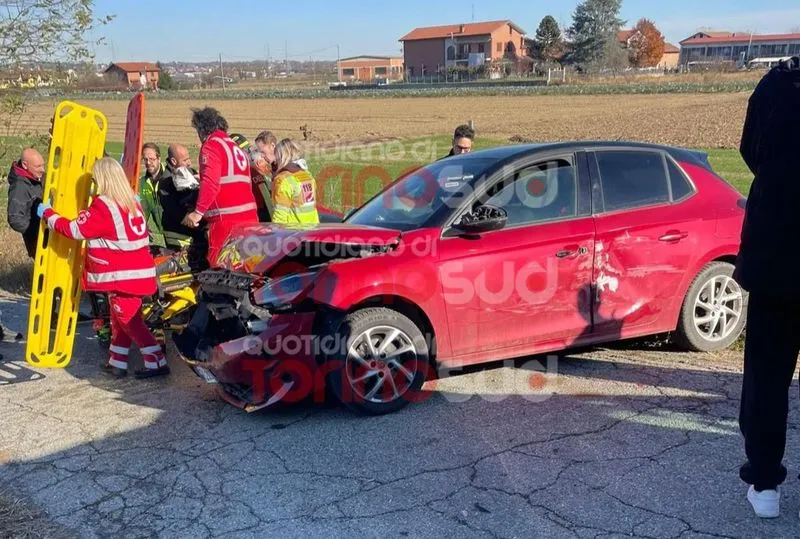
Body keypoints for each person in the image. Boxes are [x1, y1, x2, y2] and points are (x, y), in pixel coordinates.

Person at [734, 55, 800, 519]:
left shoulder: (777, 85)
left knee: (767, 377)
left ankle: (765, 482)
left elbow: (750, 151)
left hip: (778, 253)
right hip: (776, 255)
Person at [37, 157, 169, 379]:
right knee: (120, 320)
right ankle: (116, 362)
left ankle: (157, 362)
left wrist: (49, 215)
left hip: (121, 276)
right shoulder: (131, 202)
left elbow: (75, 230)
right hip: (138, 273)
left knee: (129, 321)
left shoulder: (104, 206)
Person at [181, 107, 258, 266]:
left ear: (202, 130)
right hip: (249, 217)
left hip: (226, 221)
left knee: (220, 268)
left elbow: (210, 182)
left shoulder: (211, 146)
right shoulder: (234, 146)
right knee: (248, 266)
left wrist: (198, 213)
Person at [158, 144, 209, 272]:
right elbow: (172, 209)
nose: (189, 163)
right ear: (174, 161)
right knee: (183, 266)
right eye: (185, 160)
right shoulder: (166, 181)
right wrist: (190, 217)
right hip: (180, 233)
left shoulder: (189, 173)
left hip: (193, 229)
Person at [6, 148, 45, 258]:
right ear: (25, 165)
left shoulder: (38, 177)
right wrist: (38, 231)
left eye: (43, 165)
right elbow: (15, 218)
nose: (42, 169)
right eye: (38, 166)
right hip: (37, 240)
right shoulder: (19, 187)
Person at [271, 138, 320, 225]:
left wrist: (276, 235)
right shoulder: (307, 175)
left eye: (276, 156)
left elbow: (280, 216)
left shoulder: (282, 179)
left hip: (294, 233)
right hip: (313, 229)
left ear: (281, 157)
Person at [139, 142, 167, 252]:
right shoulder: (142, 183)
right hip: (164, 233)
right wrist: (143, 226)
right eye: (145, 159)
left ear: (159, 158)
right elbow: (143, 209)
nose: (148, 163)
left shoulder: (170, 178)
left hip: (179, 233)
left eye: (152, 159)